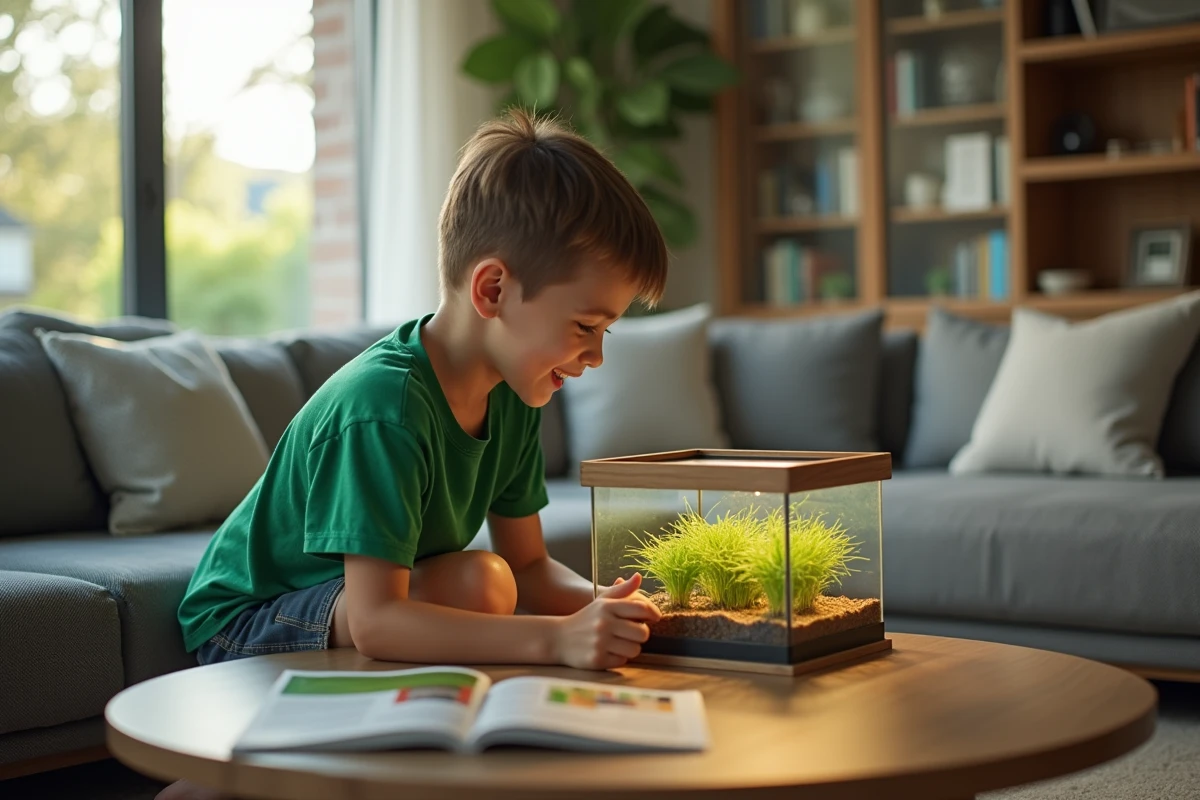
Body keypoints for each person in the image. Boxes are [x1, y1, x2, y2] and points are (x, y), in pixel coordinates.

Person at [157, 109, 668, 799]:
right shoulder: (385, 409)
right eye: (585, 326)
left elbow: (533, 568)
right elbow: (376, 621)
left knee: (487, 582)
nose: (598, 355)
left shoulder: (516, 394)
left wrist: (616, 608)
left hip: (365, 601)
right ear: (493, 290)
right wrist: (556, 641)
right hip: (250, 617)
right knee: (475, 587)